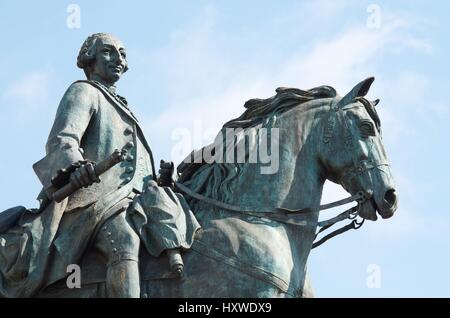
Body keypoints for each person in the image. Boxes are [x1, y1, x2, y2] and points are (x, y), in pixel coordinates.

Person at [0, 33, 200, 298]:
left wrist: (161, 180)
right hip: (97, 200)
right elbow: (63, 139)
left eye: (123, 53)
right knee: (125, 241)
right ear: (90, 59)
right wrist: (75, 166)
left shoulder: (124, 107)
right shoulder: (84, 91)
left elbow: (135, 168)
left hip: (135, 199)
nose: (118, 59)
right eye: (108, 51)